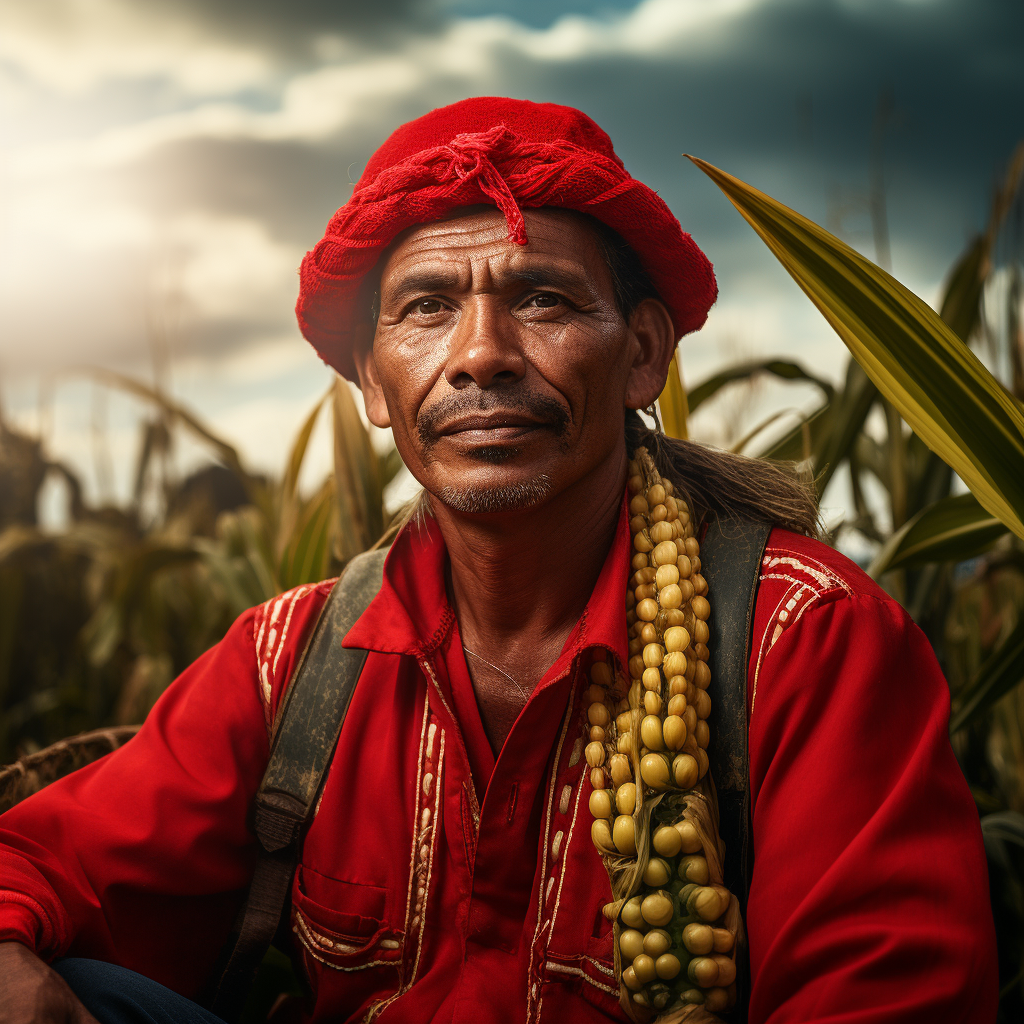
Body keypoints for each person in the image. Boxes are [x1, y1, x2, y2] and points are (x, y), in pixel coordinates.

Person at [0, 97, 997, 1024]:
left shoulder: (802, 641)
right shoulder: (292, 657)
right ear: (374, 385)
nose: (481, 353)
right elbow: (47, 860)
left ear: (642, 355)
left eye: (544, 297)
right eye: (427, 306)